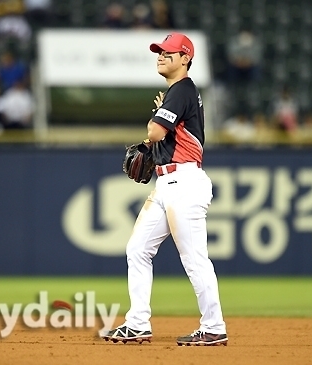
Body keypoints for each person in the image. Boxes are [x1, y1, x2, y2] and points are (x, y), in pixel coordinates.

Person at [102, 33, 227, 346]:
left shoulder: (182, 89)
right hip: (167, 183)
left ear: (185, 58)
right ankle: (138, 323)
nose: (161, 56)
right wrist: (156, 133)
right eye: (159, 52)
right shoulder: (178, 92)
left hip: (183, 183)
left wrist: (153, 128)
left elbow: (156, 130)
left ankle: (214, 326)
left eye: (169, 53)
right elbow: (164, 135)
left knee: (194, 258)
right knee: (138, 249)